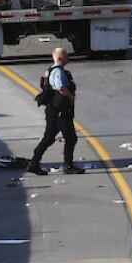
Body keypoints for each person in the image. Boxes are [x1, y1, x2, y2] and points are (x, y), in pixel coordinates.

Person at [28, 48, 83, 176]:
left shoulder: (50, 70)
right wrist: (71, 97)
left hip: (52, 110)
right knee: (71, 138)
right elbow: (60, 87)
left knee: (48, 138)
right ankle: (68, 165)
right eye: (66, 56)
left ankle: (34, 163)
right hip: (60, 111)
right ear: (59, 58)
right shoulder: (58, 72)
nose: (68, 58)